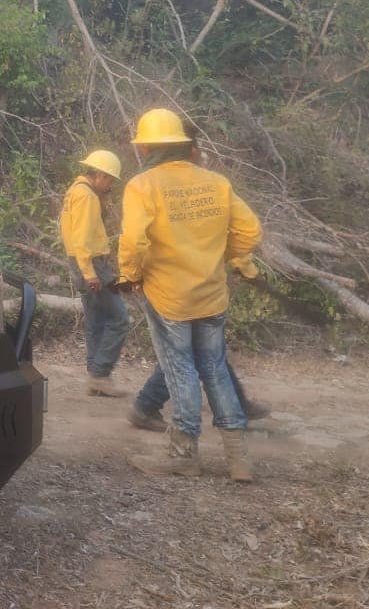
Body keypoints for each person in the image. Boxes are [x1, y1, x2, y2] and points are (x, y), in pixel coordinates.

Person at [120, 108, 262, 482]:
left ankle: (183, 453)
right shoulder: (216, 182)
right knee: (215, 369)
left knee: (180, 369)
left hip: (170, 298)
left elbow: (133, 241)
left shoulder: (143, 186)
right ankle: (239, 460)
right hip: (212, 294)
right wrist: (229, 259)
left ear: (147, 148)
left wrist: (130, 275)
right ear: (183, 145)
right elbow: (250, 232)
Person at [59, 149, 131, 397]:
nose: (111, 184)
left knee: (96, 320)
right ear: (99, 175)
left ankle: (95, 377)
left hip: (80, 262)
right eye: (109, 179)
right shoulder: (86, 196)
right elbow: (82, 238)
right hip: (91, 264)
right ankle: (100, 374)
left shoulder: (75, 191)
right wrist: (90, 273)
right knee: (120, 319)